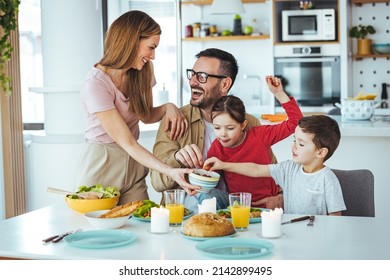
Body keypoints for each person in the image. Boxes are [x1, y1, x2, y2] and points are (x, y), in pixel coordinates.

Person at [75, 10, 198, 205]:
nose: (153, 56)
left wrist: (168, 107)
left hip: (133, 164)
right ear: (132, 40)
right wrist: (168, 171)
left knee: (142, 223)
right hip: (103, 163)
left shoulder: (142, 72)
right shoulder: (96, 84)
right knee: (97, 230)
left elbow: (146, 115)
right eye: (151, 47)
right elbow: (127, 142)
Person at [150, 48, 281, 210]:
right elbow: (156, 182)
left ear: (225, 84)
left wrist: (279, 198)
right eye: (192, 74)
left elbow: (274, 171)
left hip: (234, 214)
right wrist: (177, 158)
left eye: (202, 77)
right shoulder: (175, 120)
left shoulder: (249, 122)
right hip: (183, 216)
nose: (192, 82)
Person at [205, 115, 346, 216]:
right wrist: (223, 165)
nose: (294, 146)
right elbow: (256, 169)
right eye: (294, 140)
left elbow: (335, 216)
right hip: (290, 230)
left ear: (321, 152)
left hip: (316, 235)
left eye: (301, 144)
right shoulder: (288, 168)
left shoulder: (327, 179)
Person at [203, 77, 303, 208]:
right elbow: (210, 178)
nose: (222, 134)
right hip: (237, 206)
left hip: (268, 204)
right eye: (217, 128)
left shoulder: (260, 136)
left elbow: (296, 122)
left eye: (230, 128)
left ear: (243, 125)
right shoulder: (216, 148)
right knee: (206, 195)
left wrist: (279, 94)